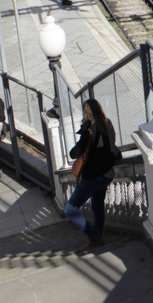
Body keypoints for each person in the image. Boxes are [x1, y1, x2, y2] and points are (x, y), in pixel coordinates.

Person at [63, 98, 117, 253]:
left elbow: (75, 153)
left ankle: (93, 237)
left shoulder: (89, 130)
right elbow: (112, 147)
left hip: (93, 176)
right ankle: (98, 235)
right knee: (97, 205)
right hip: (107, 173)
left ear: (86, 113)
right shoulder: (108, 124)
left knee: (69, 209)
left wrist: (83, 132)